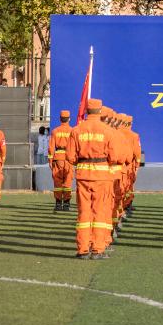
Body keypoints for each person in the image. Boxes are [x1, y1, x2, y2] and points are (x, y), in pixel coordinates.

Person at [67, 98, 117, 259]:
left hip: (83, 176)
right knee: (100, 212)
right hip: (102, 176)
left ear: (86, 111)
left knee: (84, 212)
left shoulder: (76, 130)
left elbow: (70, 157)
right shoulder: (107, 131)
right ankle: (97, 249)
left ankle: (83, 249)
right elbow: (114, 157)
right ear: (100, 111)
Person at [49, 111, 73, 211]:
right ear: (69, 119)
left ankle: (58, 204)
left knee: (57, 183)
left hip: (57, 158)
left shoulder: (55, 131)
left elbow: (51, 147)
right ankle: (66, 205)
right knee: (68, 182)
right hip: (68, 159)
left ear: (60, 119)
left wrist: (50, 160)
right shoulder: (72, 131)